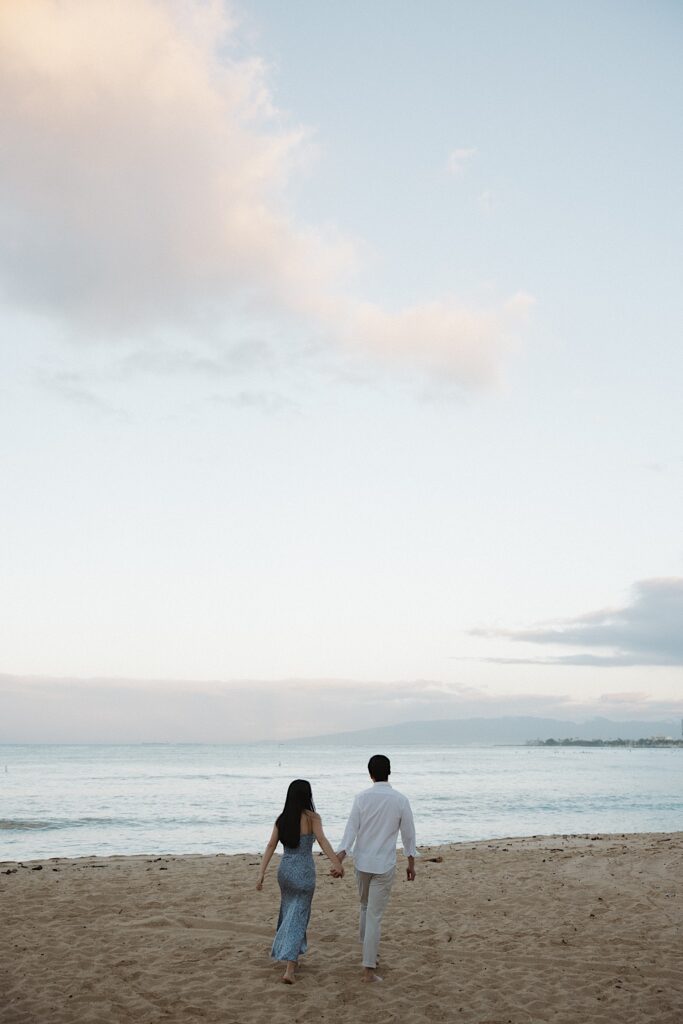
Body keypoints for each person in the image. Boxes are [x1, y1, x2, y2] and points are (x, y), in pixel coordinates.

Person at [336, 754, 416, 983]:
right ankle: (368, 968)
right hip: (383, 864)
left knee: (365, 908)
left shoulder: (361, 798)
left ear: (370, 774)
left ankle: (367, 954)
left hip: (362, 863)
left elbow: (350, 832)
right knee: (374, 915)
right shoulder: (400, 800)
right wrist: (411, 864)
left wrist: (340, 858)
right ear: (389, 772)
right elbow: (409, 836)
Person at [256, 779, 344, 984]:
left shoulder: (282, 819)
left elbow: (270, 846)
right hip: (304, 872)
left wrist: (261, 873)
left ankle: (289, 951)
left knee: (289, 912)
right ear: (307, 795)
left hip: (285, 872)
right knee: (299, 916)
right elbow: (322, 840)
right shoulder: (312, 818)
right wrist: (336, 863)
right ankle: (290, 968)